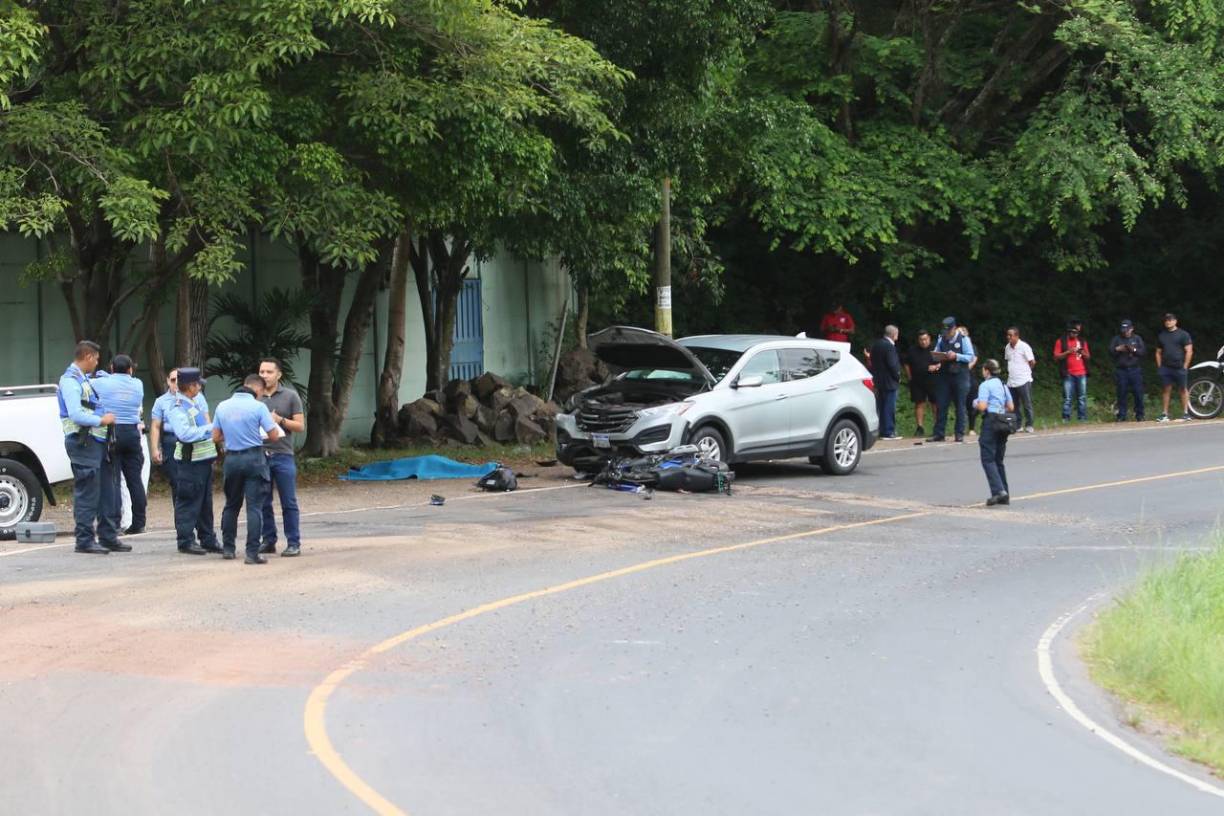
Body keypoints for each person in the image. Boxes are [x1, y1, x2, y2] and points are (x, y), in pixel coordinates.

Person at [57, 341, 121, 554]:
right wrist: (101, 420)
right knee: (88, 492)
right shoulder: (70, 381)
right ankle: (84, 540)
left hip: (96, 442)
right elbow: (75, 413)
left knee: (106, 490)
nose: (96, 362)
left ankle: (108, 536)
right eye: (95, 358)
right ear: (86, 356)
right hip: (83, 442)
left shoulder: (82, 379)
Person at [213, 374, 283, 564]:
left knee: (231, 505)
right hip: (254, 459)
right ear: (257, 389)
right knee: (254, 508)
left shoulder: (222, 406)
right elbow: (274, 436)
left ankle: (228, 548)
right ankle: (252, 553)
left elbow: (216, 437)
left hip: (232, 459)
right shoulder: (259, 407)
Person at [167, 368, 222, 556]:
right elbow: (184, 434)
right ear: (191, 386)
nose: (200, 387)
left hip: (203, 460)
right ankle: (185, 540)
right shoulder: (177, 408)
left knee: (205, 503)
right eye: (198, 384)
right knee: (188, 501)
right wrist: (211, 428)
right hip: (190, 463)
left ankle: (208, 538)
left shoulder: (193, 403)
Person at [90, 354, 146, 535]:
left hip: (112, 432)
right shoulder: (138, 384)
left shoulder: (102, 383)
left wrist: (104, 375)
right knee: (134, 479)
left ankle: (114, 523)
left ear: (111, 368)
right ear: (130, 369)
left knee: (113, 480)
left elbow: (91, 384)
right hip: (133, 433)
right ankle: (139, 522)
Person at [258, 358, 306, 557]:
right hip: (260, 454)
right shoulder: (254, 397)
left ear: (279, 374)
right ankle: (268, 539)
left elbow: (300, 426)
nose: (265, 376)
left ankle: (293, 542)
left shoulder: (290, 396)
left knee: (288, 501)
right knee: (262, 501)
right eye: (261, 372)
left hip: (283, 454)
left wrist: (280, 420)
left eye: (269, 372)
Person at [974, 359, 1015, 507]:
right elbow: (1010, 406)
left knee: (988, 459)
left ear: (987, 371)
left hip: (991, 421)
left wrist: (975, 403)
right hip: (1002, 422)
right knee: (998, 460)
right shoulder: (1003, 385)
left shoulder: (985, 385)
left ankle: (999, 491)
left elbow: (982, 406)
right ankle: (1004, 494)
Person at [929, 316, 975, 443]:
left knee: (960, 405)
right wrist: (938, 356)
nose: (947, 334)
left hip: (960, 375)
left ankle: (959, 434)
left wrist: (956, 356)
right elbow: (936, 353)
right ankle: (939, 433)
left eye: (948, 331)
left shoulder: (964, 339)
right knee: (941, 404)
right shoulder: (941, 338)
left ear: (954, 328)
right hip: (944, 375)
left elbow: (970, 357)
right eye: (945, 332)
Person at [1155, 313, 1193, 422]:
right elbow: (1158, 352)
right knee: (1166, 389)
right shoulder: (1162, 335)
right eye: (1166, 320)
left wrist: (1185, 366)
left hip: (1179, 366)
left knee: (1183, 389)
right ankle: (1164, 414)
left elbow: (1189, 351)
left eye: (1170, 320)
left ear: (1175, 321)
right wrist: (1160, 366)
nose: (1168, 322)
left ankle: (1186, 413)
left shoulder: (1183, 334)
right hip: (1166, 367)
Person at [868, 326, 902, 439]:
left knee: (881, 406)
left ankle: (882, 430)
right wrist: (898, 376)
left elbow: (872, 361)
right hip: (889, 381)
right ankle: (888, 431)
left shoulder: (876, 344)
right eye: (897, 334)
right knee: (889, 407)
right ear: (893, 335)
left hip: (878, 380)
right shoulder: (889, 347)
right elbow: (892, 364)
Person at [1053, 321, 1090, 422]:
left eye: (1076, 333)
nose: (1075, 335)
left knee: (1082, 397)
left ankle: (1082, 418)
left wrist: (1082, 352)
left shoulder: (1082, 341)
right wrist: (1068, 352)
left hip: (1081, 372)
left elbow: (1088, 357)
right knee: (1067, 398)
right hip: (1068, 373)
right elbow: (1056, 357)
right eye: (1073, 333)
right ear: (1069, 332)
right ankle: (1066, 418)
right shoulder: (1061, 341)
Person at [904, 330, 938, 438]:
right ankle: (919, 427)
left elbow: (943, 362)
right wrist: (909, 377)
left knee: (935, 403)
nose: (923, 342)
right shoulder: (912, 350)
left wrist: (937, 367)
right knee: (919, 403)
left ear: (929, 339)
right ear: (918, 340)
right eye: (921, 340)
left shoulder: (936, 349)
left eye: (925, 339)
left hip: (933, 380)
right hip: (917, 381)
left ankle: (937, 426)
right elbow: (906, 363)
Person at [1110, 320, 1146, 422]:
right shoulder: (1117, 339)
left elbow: (1142, 352)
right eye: (1123, 330)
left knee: (1138, 393)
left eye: (1127, 330)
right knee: (1121, 393)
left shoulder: (1137, 338)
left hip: (1135, 369)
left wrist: (1132, 349)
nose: (1125, 332)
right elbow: (1111, 351)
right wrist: (1118, 349)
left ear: (1131, 328)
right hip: (1121, 370)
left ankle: (1140, 414)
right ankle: (1121, 415)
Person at [1004, 327, 1037, 433]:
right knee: (1014, 404)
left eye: (1011, 335)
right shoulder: (1007, 348)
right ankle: (1018, 425)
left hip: (1024, 379)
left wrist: (1025, 372)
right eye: (1008, 335)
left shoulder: (1024, 347)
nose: (1009, 337)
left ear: (1017, 336)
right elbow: (1008, 361)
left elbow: (1032, 362)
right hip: (1012, 380)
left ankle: (1029, 424)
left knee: (1027, 403)